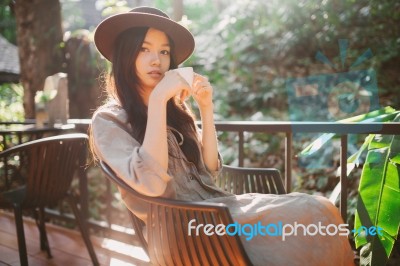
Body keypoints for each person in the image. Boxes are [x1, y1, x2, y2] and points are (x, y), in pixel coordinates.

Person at [90, 6, 354, 265]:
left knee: (321, 211)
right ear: (126, 55)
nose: (156, 60)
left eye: (164, 51)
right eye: (144, 49)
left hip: (219, 212)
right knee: (312, 214)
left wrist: (205, 107)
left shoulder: (176, 111)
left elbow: (211, 169)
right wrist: (159, 99)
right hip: (185, 232)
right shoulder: (109, 120)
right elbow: (152, 185)